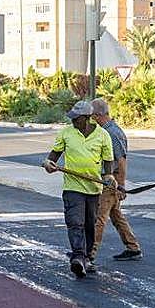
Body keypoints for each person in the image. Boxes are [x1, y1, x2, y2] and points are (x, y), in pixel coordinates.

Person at [42, 101, 116, 278]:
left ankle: (88, 258)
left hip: (93, 188)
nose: (73, 121)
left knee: (90, 224)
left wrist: (108, 175)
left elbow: (108, 160)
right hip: (72, 186)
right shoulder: (66, 133)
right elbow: (54, 155)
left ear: (87, 118)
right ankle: (78, 257)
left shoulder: (102, 135)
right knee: (75, 222)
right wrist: (48, 163)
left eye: (77, 118)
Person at [89, 99, 142, 264]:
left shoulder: (112, 133)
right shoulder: (105, 131)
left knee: (99, 218)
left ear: (98, 115)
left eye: (91, 115)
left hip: (110, 182)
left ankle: (89, 253)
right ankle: (133, 247)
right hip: (106, 181)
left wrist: (121, 185)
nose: (89, 118)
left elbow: (121, 161)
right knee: (116, 215)